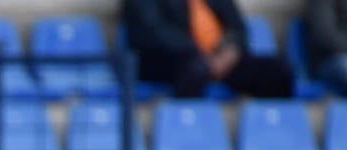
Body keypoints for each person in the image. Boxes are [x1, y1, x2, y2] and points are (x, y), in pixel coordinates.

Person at [121, 0, 294, 98]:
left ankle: (270, 133)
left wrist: (230, 52)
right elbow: (153, 33)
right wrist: (202, 55)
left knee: (276, 70)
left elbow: (237, 27)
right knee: (194, 68)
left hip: (218, 60)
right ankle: (186, 127)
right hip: (169, 60)